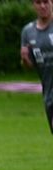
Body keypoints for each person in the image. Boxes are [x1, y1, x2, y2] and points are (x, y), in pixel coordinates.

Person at [21, 0, 53, 135]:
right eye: (38, 2)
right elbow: (30, 67)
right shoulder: (28, 32)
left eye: (46, 2)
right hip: (48, 92)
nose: (42, 6)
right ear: (33, 5)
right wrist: (25, 59)